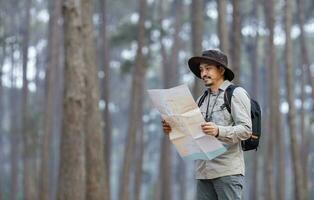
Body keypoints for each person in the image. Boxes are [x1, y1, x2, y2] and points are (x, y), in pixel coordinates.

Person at [162, 49, 252, 200]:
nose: (203, 73)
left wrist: (218, 131)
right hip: (203, 172)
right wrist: (173, 128)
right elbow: (193, 132)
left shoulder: (236, 93)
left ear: (221, 70)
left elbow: (246, 130)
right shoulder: (201, 100)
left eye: (208, 68)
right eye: (201, 69)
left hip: (227, 171)